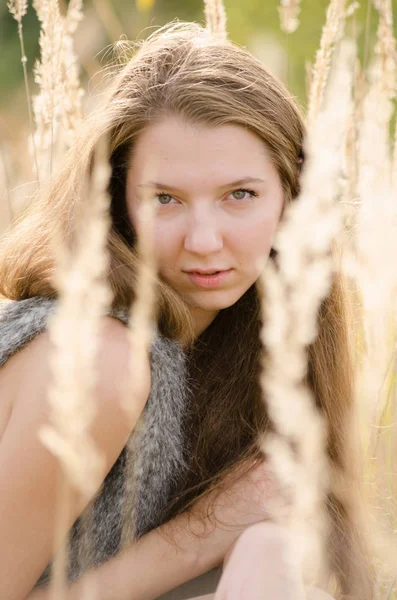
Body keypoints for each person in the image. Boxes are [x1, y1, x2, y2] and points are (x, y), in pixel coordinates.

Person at [0, 20, 374, 600]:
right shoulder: (98, 359)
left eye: (239, 195)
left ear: (291, 197)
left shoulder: (248, 349)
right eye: (166, 199)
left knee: (275, 552)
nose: (204, 240)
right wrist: (199, 538)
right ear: (117, 201)